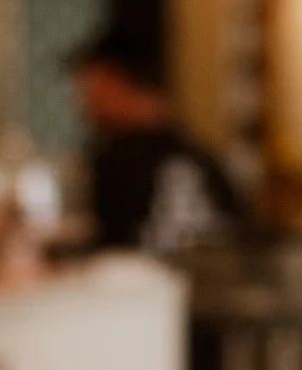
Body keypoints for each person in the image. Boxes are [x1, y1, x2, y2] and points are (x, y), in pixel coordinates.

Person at [69, 26, 244, 257]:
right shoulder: (206, 161)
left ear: (112, 80)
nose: (82, 102)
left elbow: (107, 257)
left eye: (87, 86)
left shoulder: (115, 163)